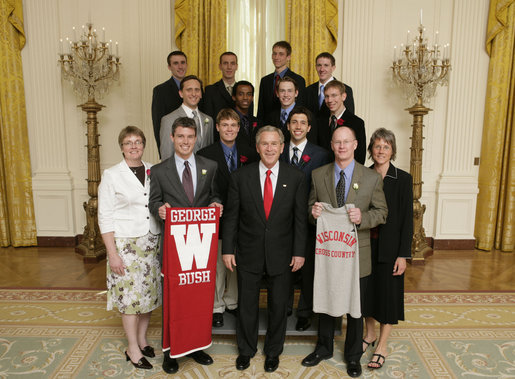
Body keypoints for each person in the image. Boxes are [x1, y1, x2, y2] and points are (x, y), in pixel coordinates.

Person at [302, 126, 387, 378]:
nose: (341, 146)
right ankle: (324, 348)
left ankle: (352, 356)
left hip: (356, 254)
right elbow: (309, 207)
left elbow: (382, 212)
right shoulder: (318, 175)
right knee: (328, 299)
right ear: (331, 145)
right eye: (337, 142)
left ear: (355, 144)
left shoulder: (371, 178)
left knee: (355, 307)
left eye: (346, 142)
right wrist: (313, 213)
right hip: (327, 252)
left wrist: (363, 217)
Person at [222, 126, 307, 373]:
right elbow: (231, 218)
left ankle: (273, 351)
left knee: (278, 307)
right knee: (246, 306)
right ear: (257, 147)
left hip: (283, 254)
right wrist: (228, 249)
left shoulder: (296, 177)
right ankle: (246, 350)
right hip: (248, 253)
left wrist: (299, 252)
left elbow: (300, 220)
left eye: (274, 144)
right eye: (264, 144)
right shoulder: (240, 177)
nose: (269, 148)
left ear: (282, 148)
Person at [148, 117, 223, 374]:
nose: (185, 141)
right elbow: (154, 201)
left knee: (199, 298)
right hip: (175, 247)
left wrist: (216, 204)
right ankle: (171, 351)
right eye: (180, 136)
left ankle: (196, 345)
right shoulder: (159, 171)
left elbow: (215, 194)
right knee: (174, 299)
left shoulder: (210, 166)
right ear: (172, 138)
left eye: (190, 137)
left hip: (200, 245)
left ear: (196, 139)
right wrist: (160, 210)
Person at [98, 126, 161, 370]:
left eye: (138, 142)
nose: (133, 146)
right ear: (122, 147)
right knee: (131, 300)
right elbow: (105, 216)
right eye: (128, 142)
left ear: (144, 145)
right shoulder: (112, 174)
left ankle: (143, 340)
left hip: (151, 242)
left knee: (148, 297)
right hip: (126, 246)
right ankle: (132, 348)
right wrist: (112, 254)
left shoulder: (154, 170)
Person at [197, 108, 259, 328]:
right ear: (217, 127)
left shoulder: (250, 152)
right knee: (218, 265)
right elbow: (201, 189)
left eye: (233, 125)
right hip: (217, 217)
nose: (229, 129)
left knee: (238, 263)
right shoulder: (205, 154)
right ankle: (216, 306)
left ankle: (233, 302)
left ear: (238, 128)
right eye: (225, 125)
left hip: (244, 218)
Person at [362, 128, 413, 370]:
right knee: (366, 294)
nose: (381, 150)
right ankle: (369, 334)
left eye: (386, 146)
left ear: (392, 151)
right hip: (364, 246)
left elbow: (406, 220)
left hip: (391, 248)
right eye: (377, 146)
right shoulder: (361, 174)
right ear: (371, 149)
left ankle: (382, 345)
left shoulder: (402, 179)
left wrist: (403, 254)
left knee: (388, 297)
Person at [279, 106, 330, 330]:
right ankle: (284, 306)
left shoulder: (321, 155)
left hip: (309, 220)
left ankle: (305, 311)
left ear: (309, 127)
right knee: (283, 266)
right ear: (288, 126)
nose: (298, 126)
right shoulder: (277, 151)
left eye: (302, 123)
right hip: (281, 219)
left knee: (308, 268)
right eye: (294, 122)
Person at [160, 75, 214, 160]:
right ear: (181, 93)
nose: (193, 94)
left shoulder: (208, 120)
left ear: (201, 94)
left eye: (197, 90)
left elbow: (210, 152)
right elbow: (166, 155)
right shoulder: (168, 120)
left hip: (204, 171)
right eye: (189, 90)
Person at [317, 80, 366, 164]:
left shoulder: (357, 123)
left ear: (343, 96)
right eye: (327, 96)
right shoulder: (319, 121)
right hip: (323, 173)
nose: (330, 100)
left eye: (334, 95)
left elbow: (360, 156)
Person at [257, 41, 306, 121]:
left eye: (281, 54)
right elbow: (261, 110)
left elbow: (300, 107)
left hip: (289, 124)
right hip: (268, 126)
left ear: (288, 57)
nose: (276, 57)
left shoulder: (298, 80)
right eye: (274, 53)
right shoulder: (265, 81)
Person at [152, 51, 188, 154]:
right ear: (169, 67)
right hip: (172, 148)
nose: (180, 66)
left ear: (187, 64)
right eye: (176, 63)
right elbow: (158, 124)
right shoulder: (160, 91)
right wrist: (162, 152)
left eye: (183, 62)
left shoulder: (196, 88)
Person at [305, 52, 355, 118]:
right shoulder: (308, 90)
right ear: (316, 67)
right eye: (319, 65)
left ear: (333, 68)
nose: (322, 69)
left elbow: (349, 117)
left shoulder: (346, 89)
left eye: (326, 65)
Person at [202, 52, 239, 122]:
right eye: (225, 63)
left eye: (232, 63)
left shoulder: (244, 90)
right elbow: (207, 119)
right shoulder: (210, 90)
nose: (229, 67)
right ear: (220, 66)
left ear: (236, 66)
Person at [265, 77, 299, 142]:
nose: (286, 95)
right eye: (282, 91)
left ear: (296, 93)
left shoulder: (306, 116)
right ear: (277, 93)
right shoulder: (270, 117)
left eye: (289, 91)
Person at [232, 80, 261, 147]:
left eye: (249, 94)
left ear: (252, 97)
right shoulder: (227, 120)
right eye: (241, 94)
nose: (245, 98)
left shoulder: (257, 122)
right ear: (234, 97)